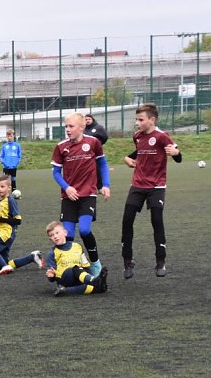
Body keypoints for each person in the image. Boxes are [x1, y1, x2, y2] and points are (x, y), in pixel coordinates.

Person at [121, 102, 182, 279]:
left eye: (141, 120)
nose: (137, 123)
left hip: (156, 186)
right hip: (137, 185)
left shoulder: (162, 137)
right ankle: (127, 261)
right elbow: (139, 151)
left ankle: (160, 261)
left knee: (156, 221)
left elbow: (178, 156)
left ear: (152, 120)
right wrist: (127, 158)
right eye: (136, 119)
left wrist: (176, 153)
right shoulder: (137, 136)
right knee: (127, 221)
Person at [50, 112, 110, 277]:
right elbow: (56, 173)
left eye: (71, 126)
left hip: (88, 194)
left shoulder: (93, 142)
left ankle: (95, 263)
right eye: (66, 126)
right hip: (68, 196)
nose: (68, 129)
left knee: (84, 230)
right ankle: (69, 268)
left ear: (82, 127)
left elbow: (102, 164)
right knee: (67, 236)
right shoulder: (61, 147)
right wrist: (67, 188)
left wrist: (105, 185)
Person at [0, 175, 43, 275]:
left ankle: (5, 266)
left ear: (9, 188)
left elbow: (18, 220)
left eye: (2, 186)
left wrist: (1, 219)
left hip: (7, 233)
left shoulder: (10, 200)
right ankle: (33, 257)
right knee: (5, 262)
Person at [44, 220, 107, 296]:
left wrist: (89, 275)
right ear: (50, 239)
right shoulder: (52, 253)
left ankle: (65, 291)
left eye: (57, 233)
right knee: (75, 268)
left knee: (95, 287)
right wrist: (51, 276)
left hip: (79, 277)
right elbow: (51, 277)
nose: (55, 236)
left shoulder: (77, 246)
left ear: (65, 233)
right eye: (51, 235)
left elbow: (85, 266)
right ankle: (94, 281)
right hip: (63, 279)